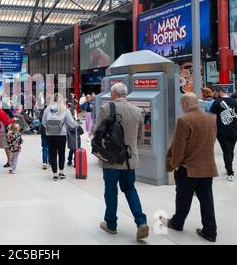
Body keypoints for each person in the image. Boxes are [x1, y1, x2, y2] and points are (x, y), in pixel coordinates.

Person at [93, 83, 149, 241]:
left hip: (111, 160)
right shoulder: (137, 111)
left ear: (112, 94)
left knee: (111, 191)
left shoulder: (106, 109)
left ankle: (111, 224)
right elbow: (140, 136)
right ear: (126, 94)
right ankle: (141, 222)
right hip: (130, 160)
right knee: (130, 189)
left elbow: (98, 132)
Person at [162, 93, 218, 242]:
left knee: (182, 198)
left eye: (181, 104)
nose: (181, 107)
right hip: (207, 168)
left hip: (188, 169)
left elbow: (179, 147)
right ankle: (210, 231)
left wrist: (173, 164)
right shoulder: (210, 118)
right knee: (207, 199)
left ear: (185, 104)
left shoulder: (184, 120)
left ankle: (177, 223)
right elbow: (212, 140)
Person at [42, 93, 78, 181]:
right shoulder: (65, 109)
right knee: (61, 153)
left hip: (50, 135)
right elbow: (70, 122)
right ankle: (61, 172)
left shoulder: (47, 109)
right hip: (61, 135)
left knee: (52, 154)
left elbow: (43, 122)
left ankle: (54, 174)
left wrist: (50, 128)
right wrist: (76, 125)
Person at [209, 87, 237, 182]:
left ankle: (230, 172)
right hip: (234, 131)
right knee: (231, 150)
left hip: (221, 132)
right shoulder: (235, 101)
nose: (214, 95)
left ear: (219, 92)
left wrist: (212, 131)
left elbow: (212, 118)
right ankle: (229, 167)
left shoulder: (216, 102)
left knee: (226, 150)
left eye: (215, 93)